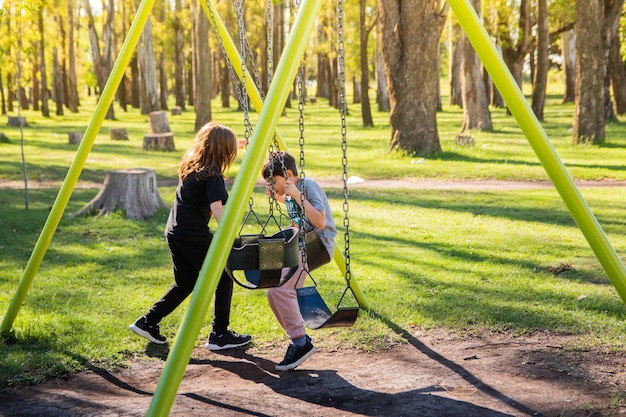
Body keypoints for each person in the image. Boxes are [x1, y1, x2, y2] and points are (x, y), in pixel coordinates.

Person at [130, 122, 251, 351]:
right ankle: (220, 334)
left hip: (174, 233)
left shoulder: (191, 167)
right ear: (223, 151)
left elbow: (215, 147)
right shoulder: (214, 176)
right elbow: (216, 208)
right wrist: (228, 233)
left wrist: (234, 142)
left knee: (185, 282)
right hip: (194, 236)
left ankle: (147, 321)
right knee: (223, 276)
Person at [261, 151, 337, 371]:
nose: (272, 186)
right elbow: (297, 219)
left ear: (289, 175)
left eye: (274, 182)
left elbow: (320, 222)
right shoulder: (290, 192)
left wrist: (296, 196)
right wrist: (280, 197)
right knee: (273, 293)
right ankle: (300, 340)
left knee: (280, 291)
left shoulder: (308, 186)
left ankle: (300, 342)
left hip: (317, 244)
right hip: (302, 245)